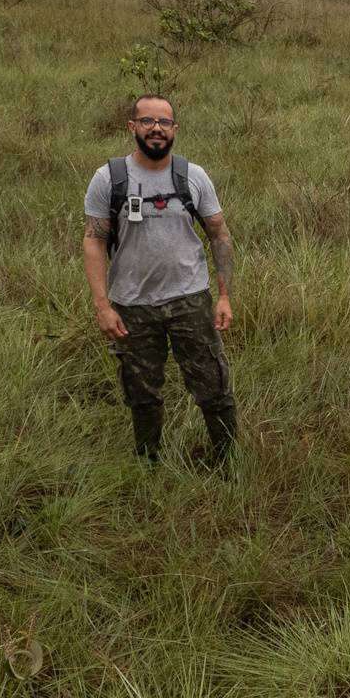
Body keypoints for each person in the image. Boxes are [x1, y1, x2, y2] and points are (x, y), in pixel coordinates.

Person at [82, 94, 239, 467]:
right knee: (141, 393)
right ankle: (147, 464)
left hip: (190, 301)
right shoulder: (109, 179)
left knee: (213, 388)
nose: (156, 128)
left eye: (164, 122)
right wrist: (102, 306)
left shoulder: (193, 176)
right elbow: (94, 241)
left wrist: (224, 296)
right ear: (132, 126)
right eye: (147, 121)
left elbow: (219, 234)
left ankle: (228, 464)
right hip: (132, 305)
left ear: (175, 129)